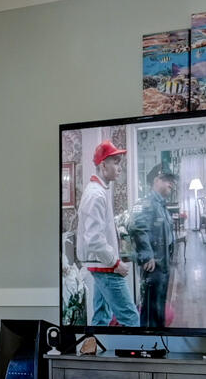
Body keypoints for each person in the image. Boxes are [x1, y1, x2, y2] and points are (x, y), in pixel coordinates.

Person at [76, 140, 138, 326]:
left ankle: (95, 353)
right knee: (131, 318)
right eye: (116, 162)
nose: (120, 167)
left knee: (101, 318)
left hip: (99, 265)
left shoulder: (98, 191)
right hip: (105, 267)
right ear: (103, 165)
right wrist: (116, 263)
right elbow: (94, 239)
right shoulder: (96, 195)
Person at [128, 162, 181, 328]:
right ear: (157, 180)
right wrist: (147, 255)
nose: (171, 184)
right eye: (167, 180)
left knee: (159, 308)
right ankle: (149, 343)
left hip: (163, 265)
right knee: (151, 310)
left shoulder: (161, 206)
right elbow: (136, 227)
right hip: (153, 267)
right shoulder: (146, 203)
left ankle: (159, 341)